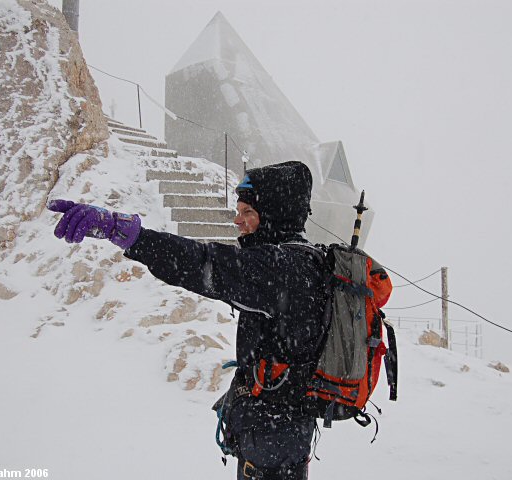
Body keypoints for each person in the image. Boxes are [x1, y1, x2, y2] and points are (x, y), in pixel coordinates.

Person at [48, 161, 326, 480]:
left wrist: (125, 233)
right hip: (280, 431)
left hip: (273, 439)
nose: (237, 220)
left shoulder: (282, 268)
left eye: (247, 211)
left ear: (274, 214)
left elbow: (201, 264)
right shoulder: (301, 259)